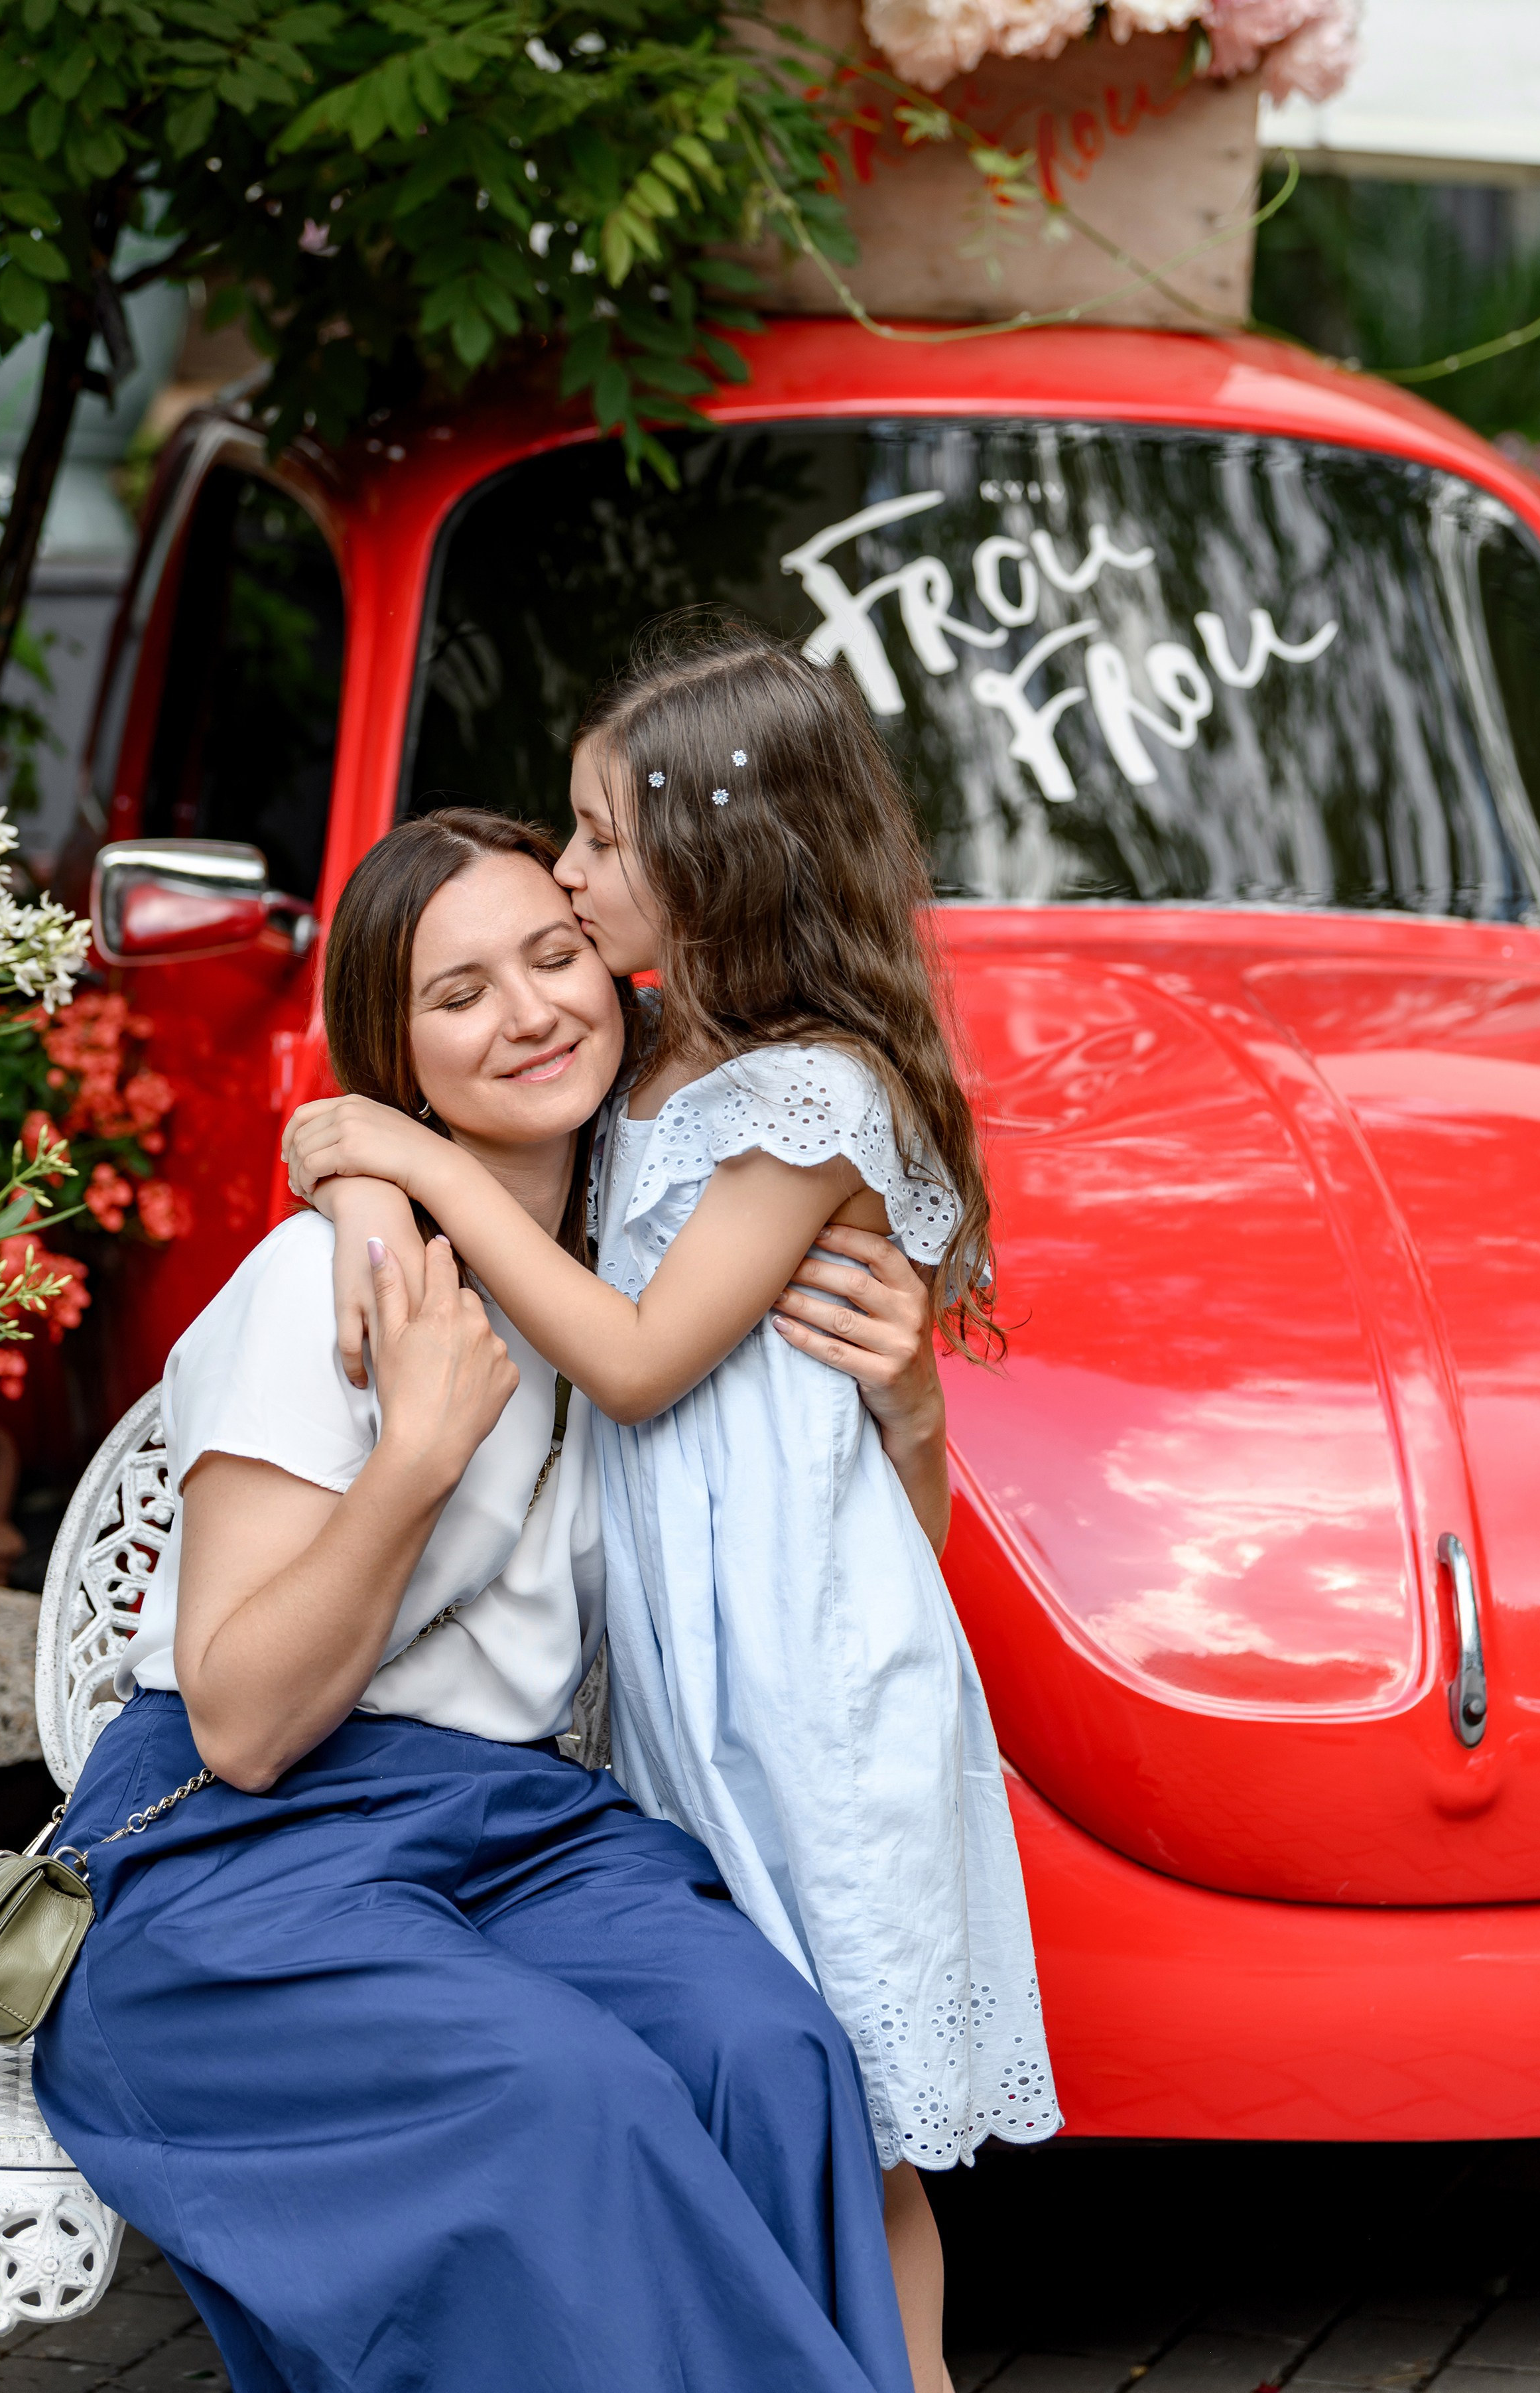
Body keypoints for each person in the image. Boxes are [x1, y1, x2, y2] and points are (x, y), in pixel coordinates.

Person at [33, 808, 952, 2393]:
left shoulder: (652, 1289)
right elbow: (244, 1722)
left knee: (769, 2050)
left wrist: (914, 1412)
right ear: (394, 1048)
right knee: (563, 2099)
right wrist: (416, 1458)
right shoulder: (318, 1289)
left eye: (554, 955)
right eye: (458, 994)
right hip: (247, 1861)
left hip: (519, 1831)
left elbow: (851, 1573)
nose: (528, 1012)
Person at [284, 622, 1062, 2393]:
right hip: (700, 1675)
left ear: (714, 865)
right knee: (749, 2102)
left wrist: (400, 1162)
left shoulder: (808, 1095)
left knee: (848, 2137)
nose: (567, 875)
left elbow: (635, 1361)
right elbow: (430, 1121)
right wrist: (362, 1179)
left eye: (599, 841)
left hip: (802, 1684)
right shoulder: (647, 1067)